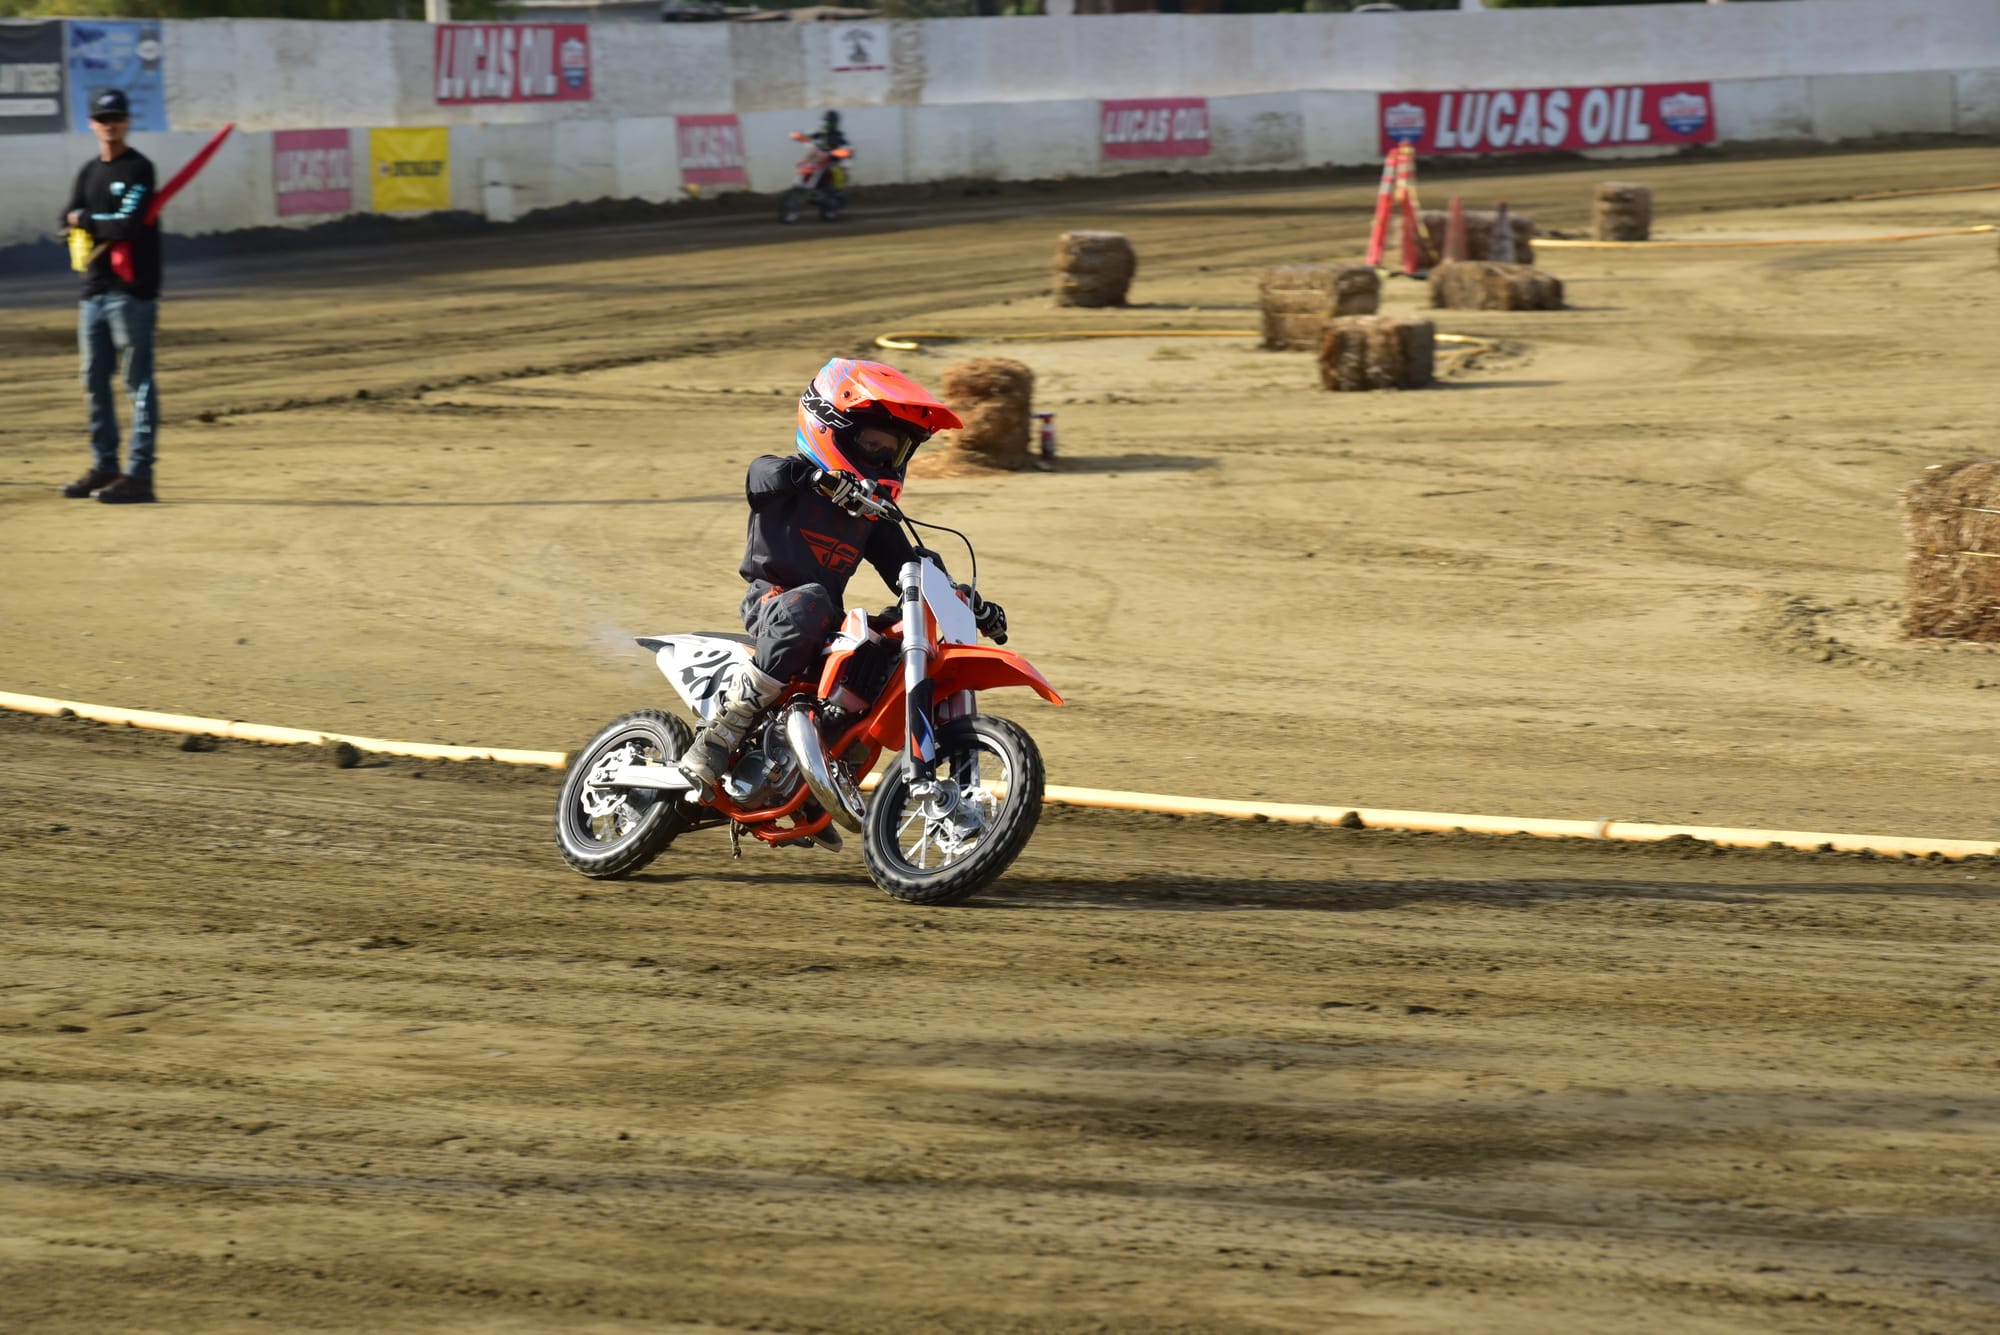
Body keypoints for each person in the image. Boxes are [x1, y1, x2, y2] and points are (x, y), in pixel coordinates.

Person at [677, 358, 972, 794]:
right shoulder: (785, 478)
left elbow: (907, 567)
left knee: (891, 633)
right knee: (813, 601)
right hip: (774, 604)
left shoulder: (869, 517)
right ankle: (723, 728)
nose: (883, 458)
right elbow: (763, 475)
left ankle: (821, 766)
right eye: (872, 445)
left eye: (893, 451)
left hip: (823, 621)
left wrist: (966, 601)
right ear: (829, 425)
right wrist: (815, 476)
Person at [61, 88, 161, 505]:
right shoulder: (88, 172)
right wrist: (82, 224)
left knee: (137, 383)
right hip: (95, 290)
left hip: (132, 291)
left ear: (127, 122)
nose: (110, 125)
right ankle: (105, 464)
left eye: (117, 118)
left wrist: (86, 220)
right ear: (92, 124)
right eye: (103, 119)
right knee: (93, 381)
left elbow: (127, 226)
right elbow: (65, 219)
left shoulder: (139, 169)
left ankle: (139, 475)